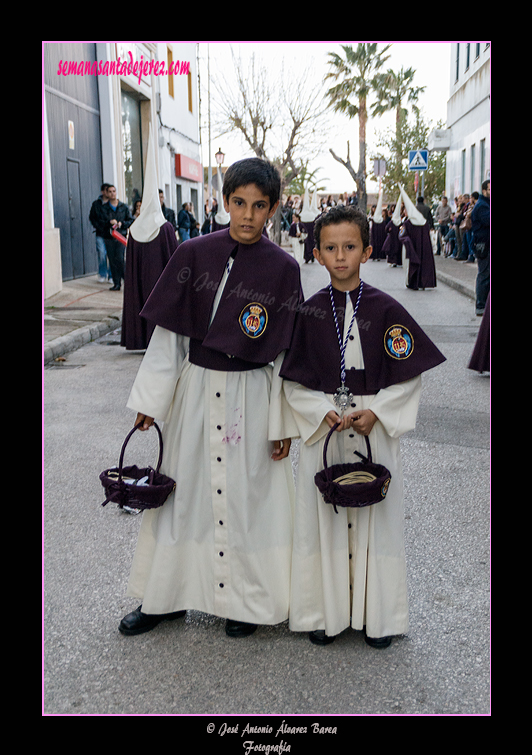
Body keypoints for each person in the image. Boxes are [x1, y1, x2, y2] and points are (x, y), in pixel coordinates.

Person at [119, 157, 302, 639]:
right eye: (238, 203)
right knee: (183, 496)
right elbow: (169, 339)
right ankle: (167, 596)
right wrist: (151, 400)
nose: (247, 215)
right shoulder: (193, 254)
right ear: (224, 202)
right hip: (197, 391)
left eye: (258, 206)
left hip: (255, 398)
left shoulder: (284, 269)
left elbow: (286, 355)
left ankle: (245, 601)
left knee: (251, 500)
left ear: (273, 209)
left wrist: (283, 422)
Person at [279, 206, 446, 648]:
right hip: (327, 426)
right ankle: (323, 613)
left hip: (373, 424)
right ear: (316, 253)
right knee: (324, 518)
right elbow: (292, 382)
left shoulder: (387, 308)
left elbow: (410, 374)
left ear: (367, 251)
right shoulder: (308, 312)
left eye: (349, 247)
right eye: (330, 248)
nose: (340, 256)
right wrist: (318, 411)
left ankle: (380, 616)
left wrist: (380, 412)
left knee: (378, 517)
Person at [121, 125, 178, 351]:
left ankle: (140, 338)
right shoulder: (164, 227)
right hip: (159, 279)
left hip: (140, 281)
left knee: (140, 300)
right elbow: (175, 257)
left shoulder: (135, 229)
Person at [103, 185, 134, 291]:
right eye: (110, 191)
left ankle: (127, 280)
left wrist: (122, 224)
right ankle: (117, 283)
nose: (112, 193)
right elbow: (100, 222)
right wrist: (109, 222)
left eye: (114, 191)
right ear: (107, 193)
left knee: (120, 259)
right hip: (109, 237)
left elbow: (131, 220)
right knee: (112, 260)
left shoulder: (123, 207)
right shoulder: (104, 208)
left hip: (121, 236)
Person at [470, 180, 490, 315]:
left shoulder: (485, 204)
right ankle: (481, 305)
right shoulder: (482, 206)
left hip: (484, 244)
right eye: (489, 189)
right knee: (484, 275)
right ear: (484, 191)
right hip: (484, 245)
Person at [89, 183, 111, 282]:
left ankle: (111, 275)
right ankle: (102, 273)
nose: (109, 193)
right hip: (100, 233)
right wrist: (97, 225)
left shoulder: (112, 204)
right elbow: (92, 217)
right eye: (107, 190)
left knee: (111, 255)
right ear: (103, 192)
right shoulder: (96, 204)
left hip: (110, 234)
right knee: (102, 253)